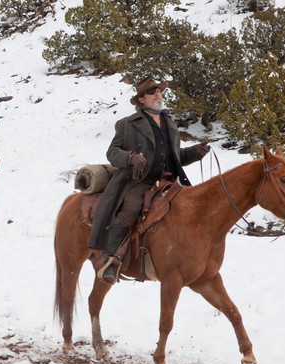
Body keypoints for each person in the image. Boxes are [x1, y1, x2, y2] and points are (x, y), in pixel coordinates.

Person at [88, 76, 210, 284]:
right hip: (139, 181)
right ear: (141, 100)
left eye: (159, 91)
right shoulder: (127, 124)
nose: (157, 94)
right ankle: (111, 259)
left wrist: (195, 152)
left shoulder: (169, 123)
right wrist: (129, 158)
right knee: (131, 208)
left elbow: (174, 155)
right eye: (152, 92)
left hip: (169, 181)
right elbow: (112, 152)